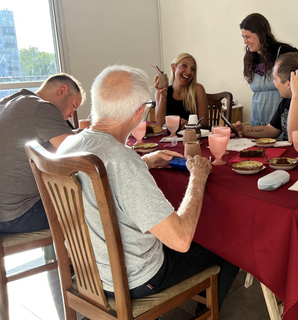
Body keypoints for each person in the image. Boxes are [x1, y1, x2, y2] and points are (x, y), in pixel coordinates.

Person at [57, 65, 239, 311]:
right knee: (229, 247)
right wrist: (197, 177)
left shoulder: (70, 144)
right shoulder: (121, 161)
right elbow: (181, 240)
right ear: (140, 112)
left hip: (87, 272)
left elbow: (103, 178)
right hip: (133, 280)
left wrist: (144, 162)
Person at [0, 74, 85, 233]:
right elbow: (76, 155)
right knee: (97, 205)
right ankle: (86, 258)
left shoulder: (10, 102)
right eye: (74, 105)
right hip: (20, 214)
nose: (72, 115)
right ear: (62, 91)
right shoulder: (41, 108)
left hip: (4, 214)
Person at [240, 13, 298, 127]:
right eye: (243, 37)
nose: (245, 42)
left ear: (260, 34)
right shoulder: (250, 56)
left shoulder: (282, 51)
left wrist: (297, 83)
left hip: (279, 124)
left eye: (248, 37)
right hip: (257, 122)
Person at [154, 53, 209, 130]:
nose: (189, 72)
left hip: (192, 139)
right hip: (171, 139)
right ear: (173, 67)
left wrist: (190, 125)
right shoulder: (161, 92)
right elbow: (160, 123)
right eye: (184, 66)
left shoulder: (198, 89)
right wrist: (163, 96)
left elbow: (205, 123)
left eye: (192, 69)